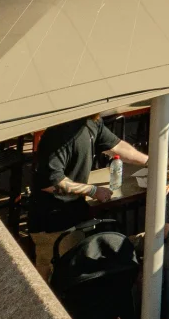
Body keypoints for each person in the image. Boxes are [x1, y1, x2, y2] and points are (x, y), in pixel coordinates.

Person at [30, 111, 149, 272]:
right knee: (55, 276)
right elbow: (51, 183)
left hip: (74, 213)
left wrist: (152, 161)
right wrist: (92, 190)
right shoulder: (58, 135)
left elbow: (118, 147)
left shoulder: (91, 121)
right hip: (52, 222)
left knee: (76, 271)